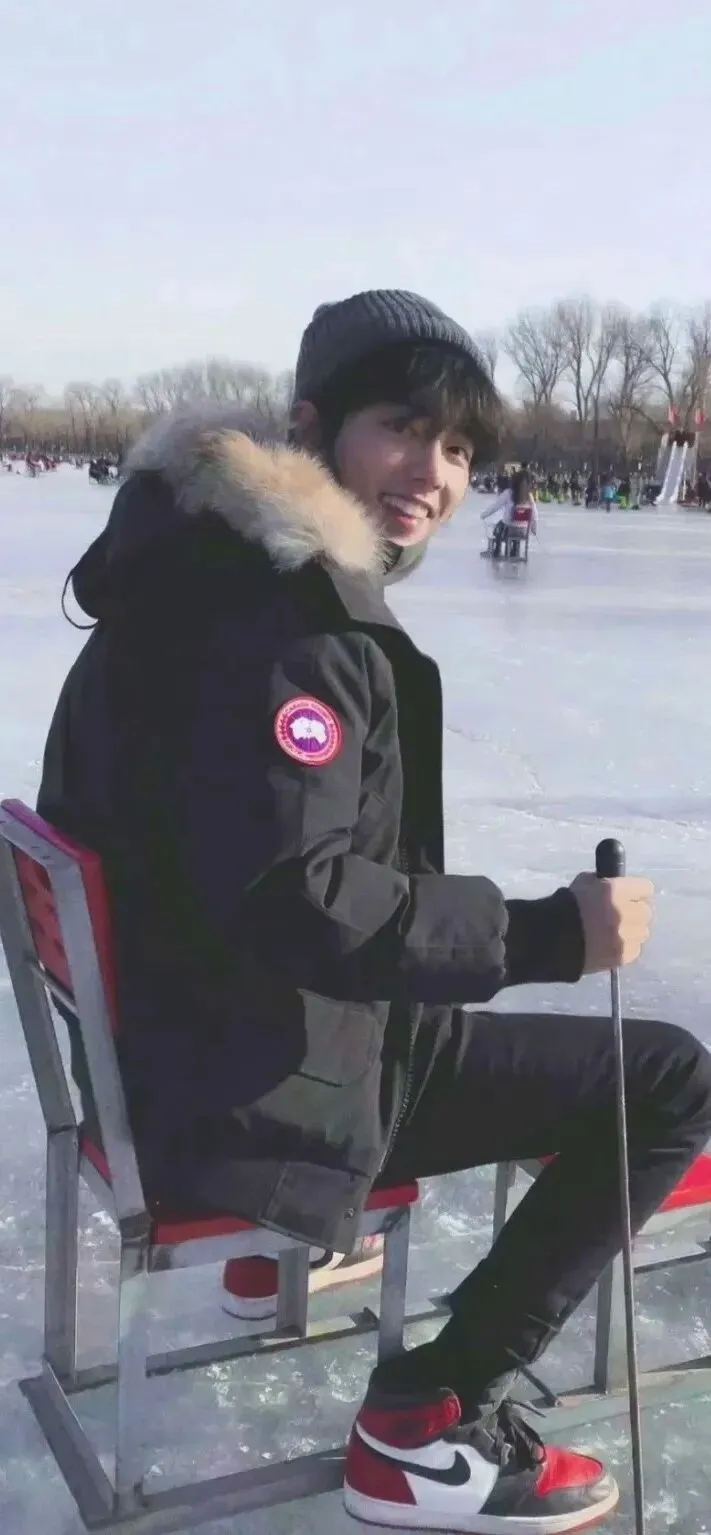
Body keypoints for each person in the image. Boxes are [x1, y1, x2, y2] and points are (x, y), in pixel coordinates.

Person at [37, 288, 711, 1534]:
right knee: (670, 1080)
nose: (434, 472)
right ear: (312, 425)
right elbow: (300, 900)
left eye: (457, 446)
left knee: (451, 1012)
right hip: (245, 1091)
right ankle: (425, 1419)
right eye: (403, 426)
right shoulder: (292, 627)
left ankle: (269, 1256)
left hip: (183, 1047)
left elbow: (228, 864)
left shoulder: (186, 564)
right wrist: (551, 932)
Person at [481, 466, 539, 556]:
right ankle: (515, 549)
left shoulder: (508, 493)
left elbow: (495, 507)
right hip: (523, 531)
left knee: (500, 525)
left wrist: (484, 515)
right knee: (515, 525)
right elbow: (535, 514)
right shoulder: (529, 496)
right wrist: (534, 528)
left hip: (508, 530)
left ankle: (497, 549)